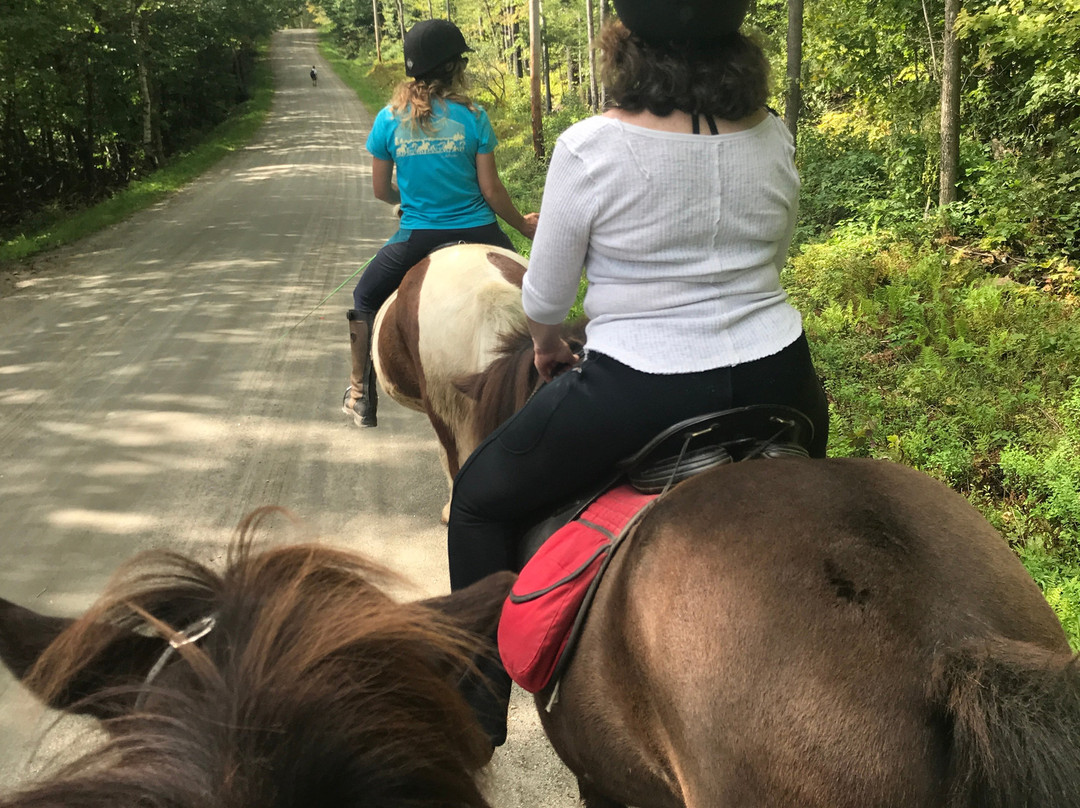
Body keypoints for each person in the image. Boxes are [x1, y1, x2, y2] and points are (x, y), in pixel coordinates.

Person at [446, 0, 829, 748]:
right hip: (783, 378)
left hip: (643, 389)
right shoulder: (773, 133)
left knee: (480, 501)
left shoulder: (591, 148)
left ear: (626, 45)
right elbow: (775, 249)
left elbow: (547, 298)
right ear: (738, 40)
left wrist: (550, 346)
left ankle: (479, 706)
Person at [343, 19, 538, 428]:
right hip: (480, 229)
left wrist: (406, 201)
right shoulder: (474, 117)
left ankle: (361, 394)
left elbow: (381, 190)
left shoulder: (388, 119)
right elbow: (491, 189)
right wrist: (522, 224)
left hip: (417, 234)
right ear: (452, 68)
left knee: (364, 297)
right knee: (532, 293)